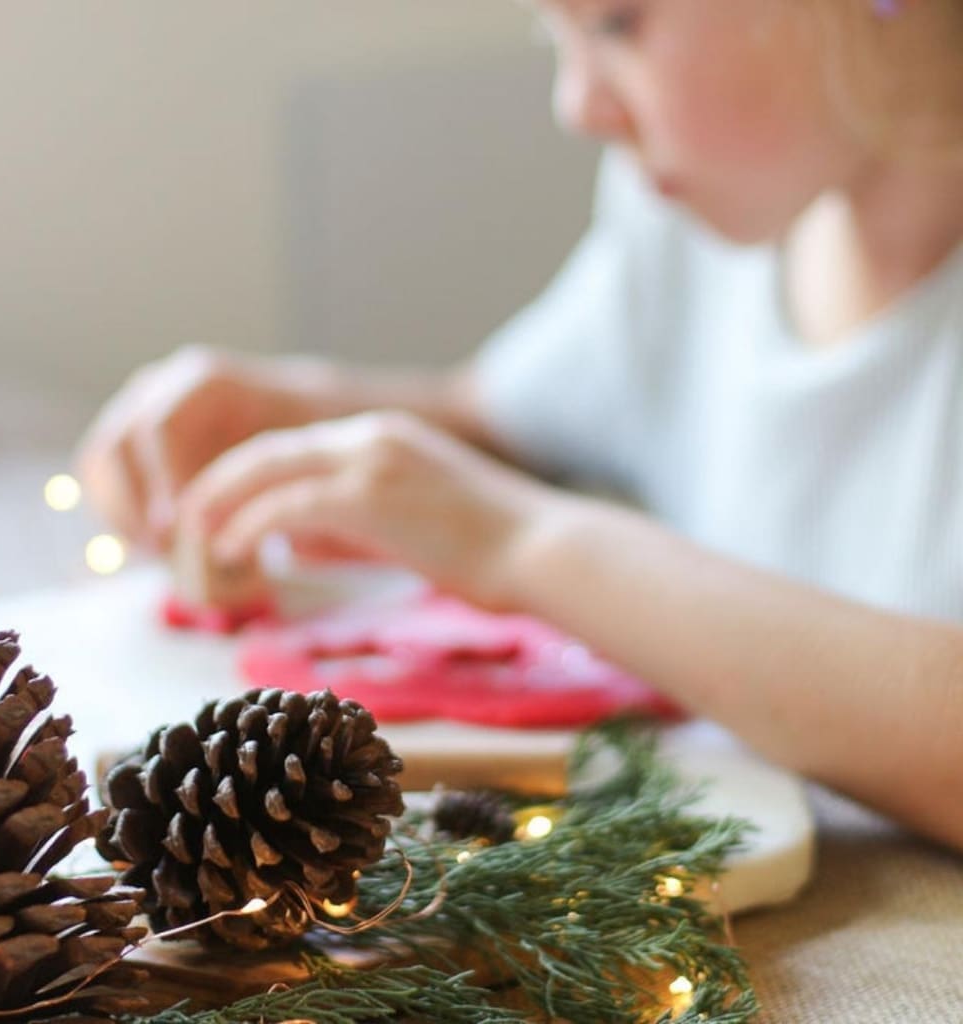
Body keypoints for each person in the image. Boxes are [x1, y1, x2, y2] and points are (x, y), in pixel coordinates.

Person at [78, 0, 963, 852]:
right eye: (555, 33)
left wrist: (524, 546)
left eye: (617, 22)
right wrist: (303, 413)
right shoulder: (688, 220)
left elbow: (507, 517)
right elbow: (509, 422)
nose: (576, 105)